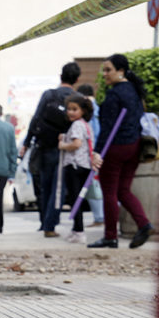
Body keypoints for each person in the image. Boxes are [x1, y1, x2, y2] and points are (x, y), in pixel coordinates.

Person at [88, 54, 155, 249]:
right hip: (134, 146)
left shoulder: (114, 94)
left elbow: (107, 127)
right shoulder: (134, 91)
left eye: (108, 70)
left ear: (121, 71)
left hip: (115, 148)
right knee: (123, 190)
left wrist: (97, 152)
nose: (105, 74)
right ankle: (144, 224)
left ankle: (110, 236)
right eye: (104, 70)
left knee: (109, 192)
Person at [20, 62, 81, 238]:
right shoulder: (76, 98)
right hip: (64, 149)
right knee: (59, 188)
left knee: (45, 186)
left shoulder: (49, 94)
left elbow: (36, 117)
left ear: (60, 75)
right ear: (77, 79)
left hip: (44, 146)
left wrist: (27, 142)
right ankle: (50, 225)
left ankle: (44, 223)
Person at [58, 94, 94, 243]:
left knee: (75, 200)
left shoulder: (77, 125)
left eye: (75, 109)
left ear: (83, 111)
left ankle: (79, 231)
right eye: (69, 109)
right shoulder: (85, 124)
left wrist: (62, 145)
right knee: (77, 199)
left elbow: (77, 144)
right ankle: (76, 229)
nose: (70, 112)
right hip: (83, 165)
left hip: (75, 165)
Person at [77, 83, 105, 227]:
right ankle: (101, 216)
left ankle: (99, 218)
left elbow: (92, 131)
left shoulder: (90, 110)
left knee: (93, 185)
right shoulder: (100, 108)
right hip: (102, 150)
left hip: (93, 151)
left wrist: (92, 152)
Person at [0, 104, 17, 234]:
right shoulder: (9, 128)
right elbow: (13, 152)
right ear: (1, 113)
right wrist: (12, 172)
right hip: (3, 169)